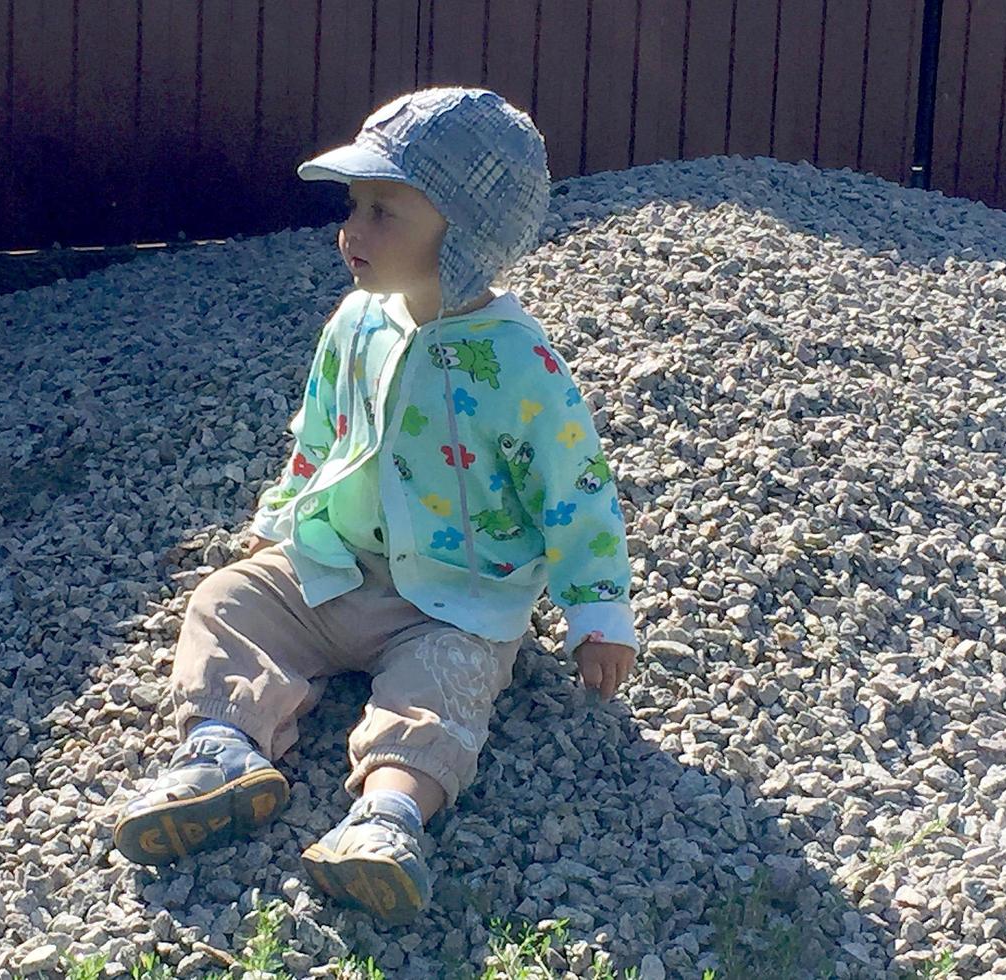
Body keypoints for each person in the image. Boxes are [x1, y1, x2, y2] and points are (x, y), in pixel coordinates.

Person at [112, 87, 639, 924]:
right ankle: (222, 751)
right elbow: (317, 435)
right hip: (339, 562)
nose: (350, 231)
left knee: (447, 681)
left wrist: (596, 608)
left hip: (456, 598)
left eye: (382, 212)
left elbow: (573, 486)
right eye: (354, 206)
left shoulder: (520, 364)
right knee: (227, 600)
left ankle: (387, 814)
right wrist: (281, 523)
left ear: (462, 235)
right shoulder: (356, 323)